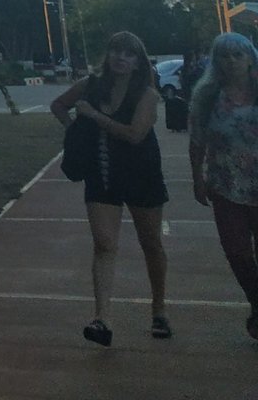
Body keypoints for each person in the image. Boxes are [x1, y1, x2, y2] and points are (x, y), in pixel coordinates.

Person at [51, 30, 170, 345]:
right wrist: (74, 126)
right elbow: (58, 105)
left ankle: (158, 309)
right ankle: (102, 319)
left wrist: (93, 116)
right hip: (101, 175)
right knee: (104, 245)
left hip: (142, 175)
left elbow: (135, 134)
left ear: (137, 62)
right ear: (108, 55)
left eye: (129, 53)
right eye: (116, 51)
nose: (121, 58)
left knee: (151, 244)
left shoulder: (145, 94)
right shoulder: (90, 85)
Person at [189, 32, 258, 339]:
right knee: (237, 252)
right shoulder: (207, 95)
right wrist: (197, 178)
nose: (231, 61)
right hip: (226, 184)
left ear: (250, 58)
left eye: (238, 55)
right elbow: (197, 141)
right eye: (224, 56)